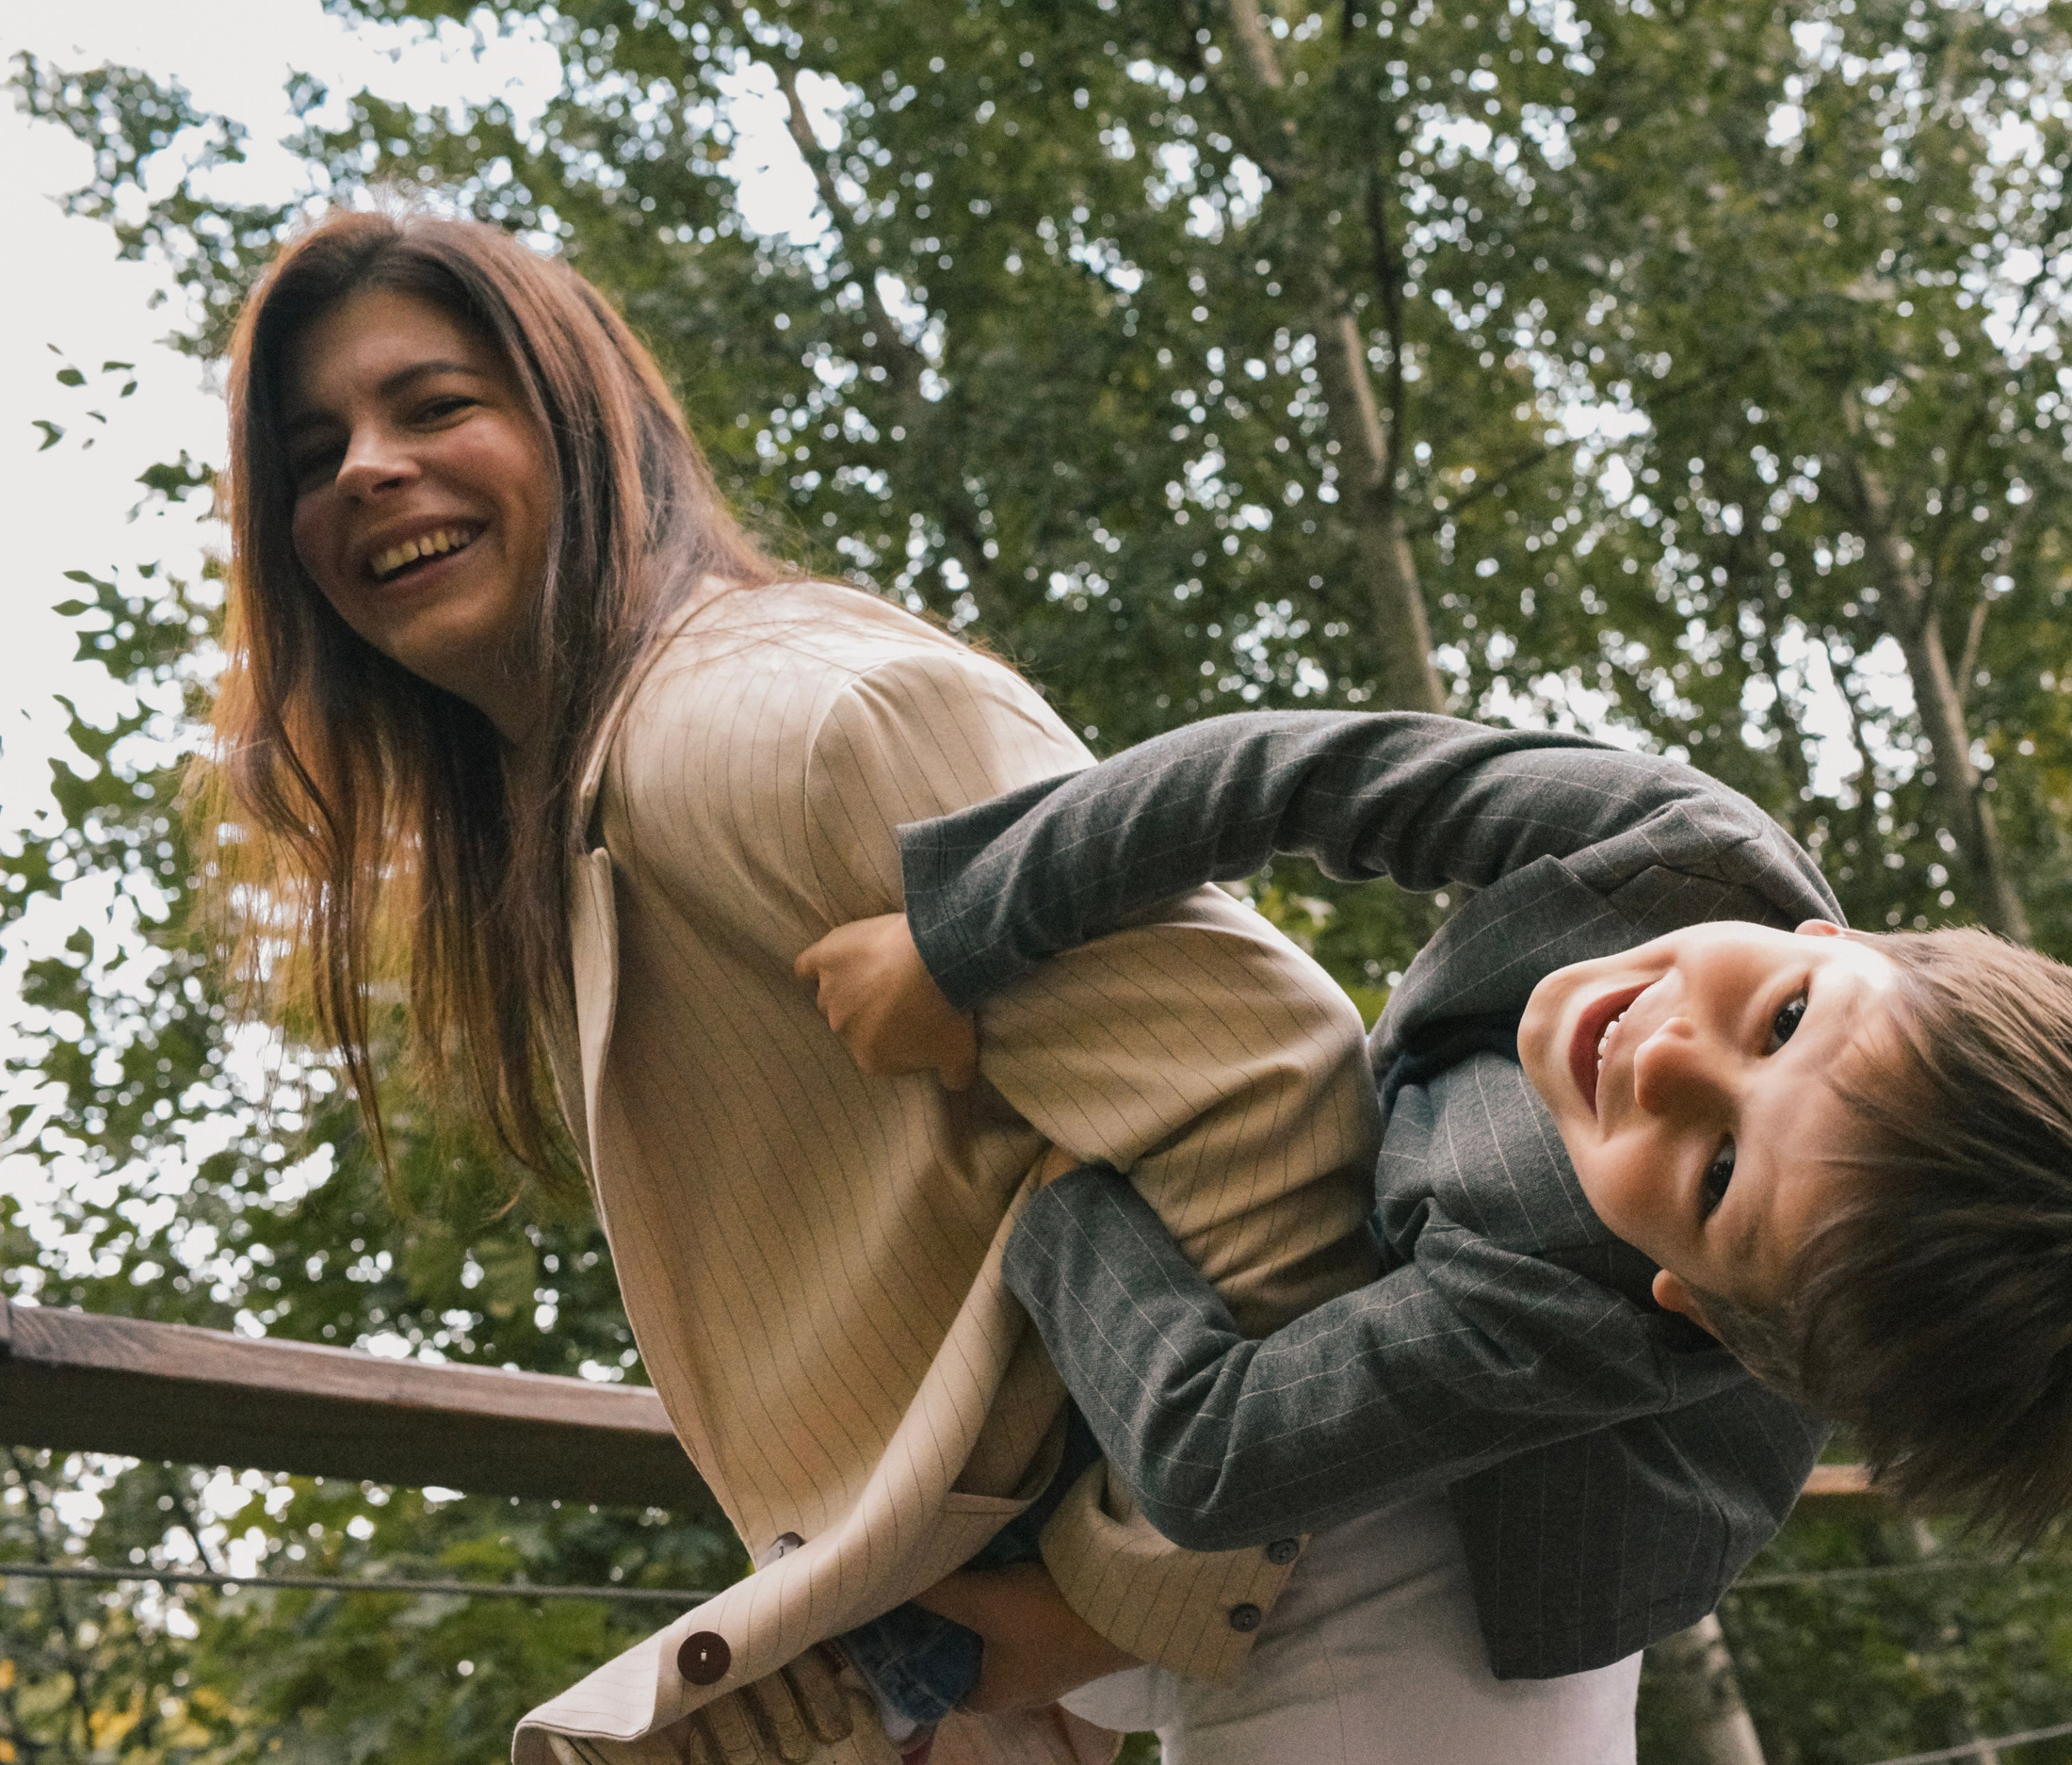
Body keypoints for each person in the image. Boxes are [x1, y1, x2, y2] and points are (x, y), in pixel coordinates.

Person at [195, 209, 1720, 1765]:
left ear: (585, 430)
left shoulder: (772, 726)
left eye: (437, 404)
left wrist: (1108, 1604)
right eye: (313, 454)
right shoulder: (614, 803)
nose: (366, 469)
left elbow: (1272, 1104)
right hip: (1302, 1576)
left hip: (1366, 1569)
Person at [798, 711, 2072, 1685]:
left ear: (1684, 1292)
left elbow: (1213, 1449)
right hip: (1480, 1183)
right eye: (1783, 1022)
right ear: (1839, 932)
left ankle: (1063, 1637)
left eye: (1718, 1169)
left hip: (1595, 1507)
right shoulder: (1690, 846)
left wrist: (1053, 1182)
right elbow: (1290, 771)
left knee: (1349, 1549)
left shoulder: (1572, 1313)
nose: (1674, 1053)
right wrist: (967, 930)